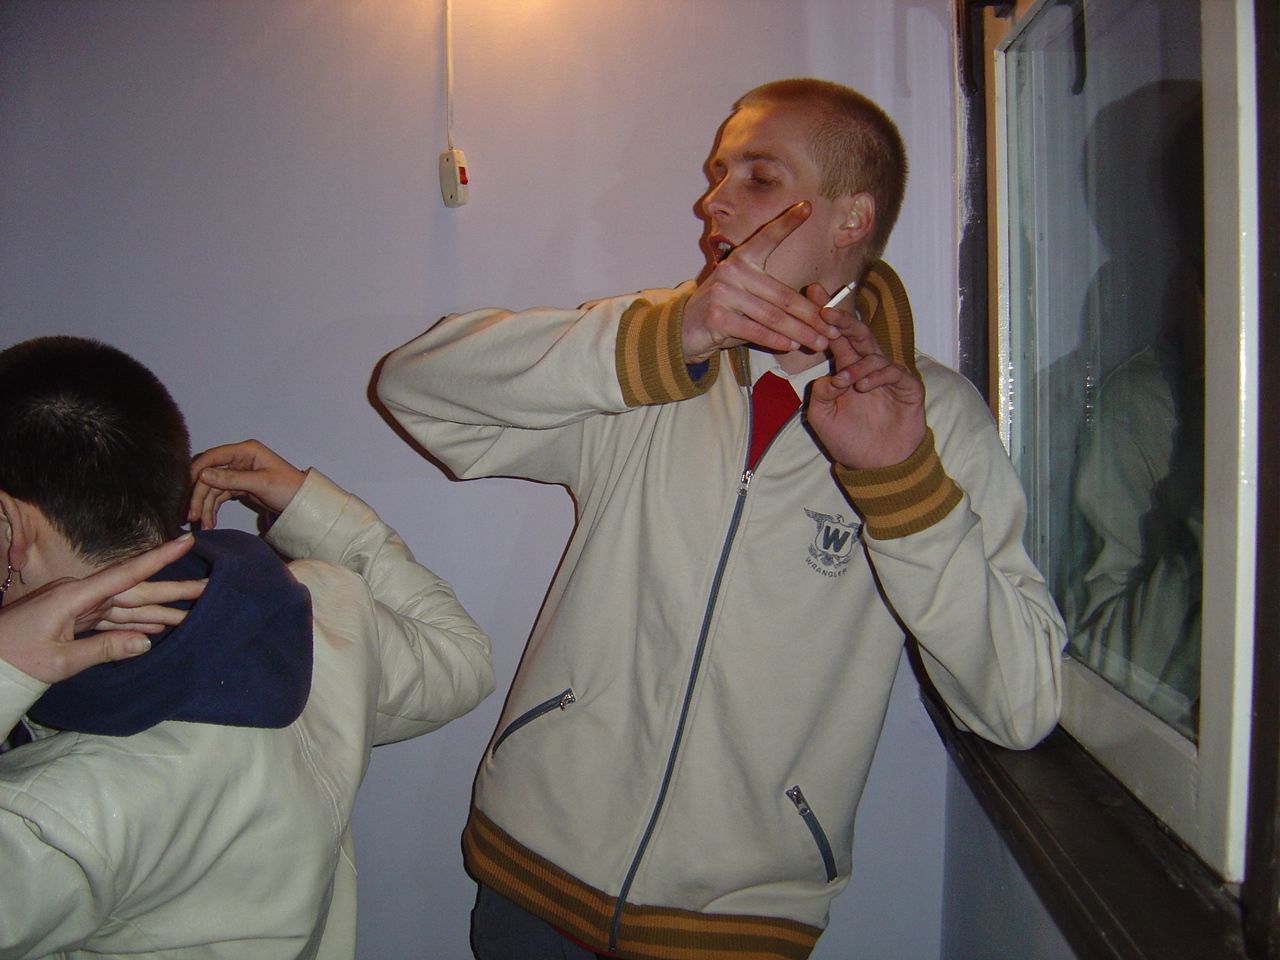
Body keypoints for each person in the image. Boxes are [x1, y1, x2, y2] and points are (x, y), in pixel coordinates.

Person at [376, 78, 1065, 960]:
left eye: (759, 177)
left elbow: (1019, 704)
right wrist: (673, 336)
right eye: (718, 173)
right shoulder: (650, 364)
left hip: (735, 927)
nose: (713, 200)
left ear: (852, 218)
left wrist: (900, 486)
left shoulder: (935, 422)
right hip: (530, 884)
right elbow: (414, 389)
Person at [0, 336, 495, 959]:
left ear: (10, 525)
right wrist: (315, 509)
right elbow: (462, 659)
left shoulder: (51, 814)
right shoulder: (314, 615)